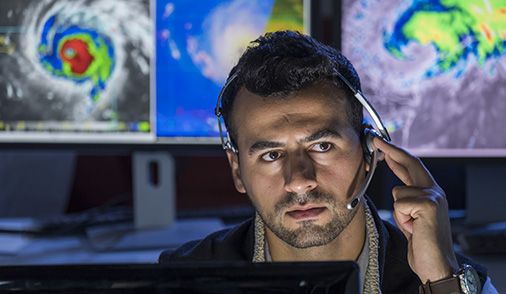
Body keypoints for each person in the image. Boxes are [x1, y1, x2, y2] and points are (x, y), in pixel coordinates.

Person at [159, 31, 497, 293]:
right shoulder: (184, 279)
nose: (298, 180)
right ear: (237, 170)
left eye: (322, 146)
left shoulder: (451, 280)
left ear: (369, 152)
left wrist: (441, 281)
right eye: (271, 155)